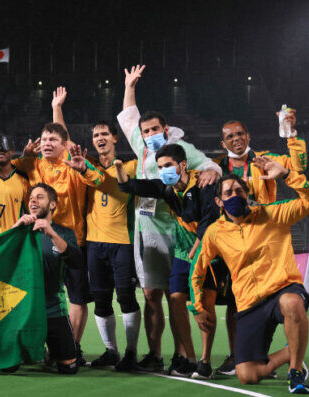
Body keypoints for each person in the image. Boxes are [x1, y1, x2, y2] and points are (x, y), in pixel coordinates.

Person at [116, 65, 222, 372]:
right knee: (151, 295)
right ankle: (156, 353)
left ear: (166, 130)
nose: (148, 134)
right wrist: (130, 86)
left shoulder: (181, 148)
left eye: (154, 130)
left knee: (178, 295)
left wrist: (211, 172)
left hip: (175, 229)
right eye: (146, 131)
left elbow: (210, 167)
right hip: (145, 228)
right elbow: (129, 117)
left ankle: (183, 353)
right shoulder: (142, 147)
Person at [190, 156, 309, 393]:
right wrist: (198, 306)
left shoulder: (272, 214)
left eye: (238, 190)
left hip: (282, 290)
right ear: (219, 201)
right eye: (227, 193)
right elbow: (198, 268)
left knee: (292, 302)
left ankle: (295, 371)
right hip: (249, 304)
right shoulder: (215, 232)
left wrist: (286, 175)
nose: (234, 195)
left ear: (247, 194)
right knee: (247, 375)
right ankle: (291, 352)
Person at [210, 116, 308, 375]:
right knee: (235, 299)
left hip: (266, 236)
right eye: (230, 136)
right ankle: (238, 355)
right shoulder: (218, 167)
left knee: (280, 294)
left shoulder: (265, 158)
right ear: (223, 142)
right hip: (234, 241)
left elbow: (299, 168)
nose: (236, 139)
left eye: (240, 134)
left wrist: (291, 137)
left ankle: (293, 354)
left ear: (248, 136)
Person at [15, 113, 104, 364]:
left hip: (71, 240)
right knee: (37, 292)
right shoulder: (33, 164)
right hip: (38, 241)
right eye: (44, 139)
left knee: (76, 297)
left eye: (53, 139)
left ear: (64, 144)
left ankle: (72, 347)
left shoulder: (74, 164)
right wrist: (24, 154)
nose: (47, 143)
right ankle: (33, 347)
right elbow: (12, 165)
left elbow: (98, 179)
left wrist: (84, 166)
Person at [73, 121, 142, 372]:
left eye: (104, 134)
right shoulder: (86, 166)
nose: (99, 138)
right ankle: (111, 351)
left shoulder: (131, 166)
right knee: (101, 300)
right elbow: (66, 140)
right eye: (95, 135)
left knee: (125, 296)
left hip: (122, 241)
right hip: (94, 243)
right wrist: (57, 107)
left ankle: (131, 352)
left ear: (115, 138)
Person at [12, 183, 83, 374]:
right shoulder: (19, 231)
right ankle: (36, 351)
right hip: (23, 311)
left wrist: (51, 234)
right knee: (7, 366)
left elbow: (77, 261)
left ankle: (51, 352)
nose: (33, 200)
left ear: (52, 205)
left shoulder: (64, 233)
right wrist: (14, 230)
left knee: (69, 367)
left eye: (39, 197)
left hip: (53, 309)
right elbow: (2, 259)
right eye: (31, 198)